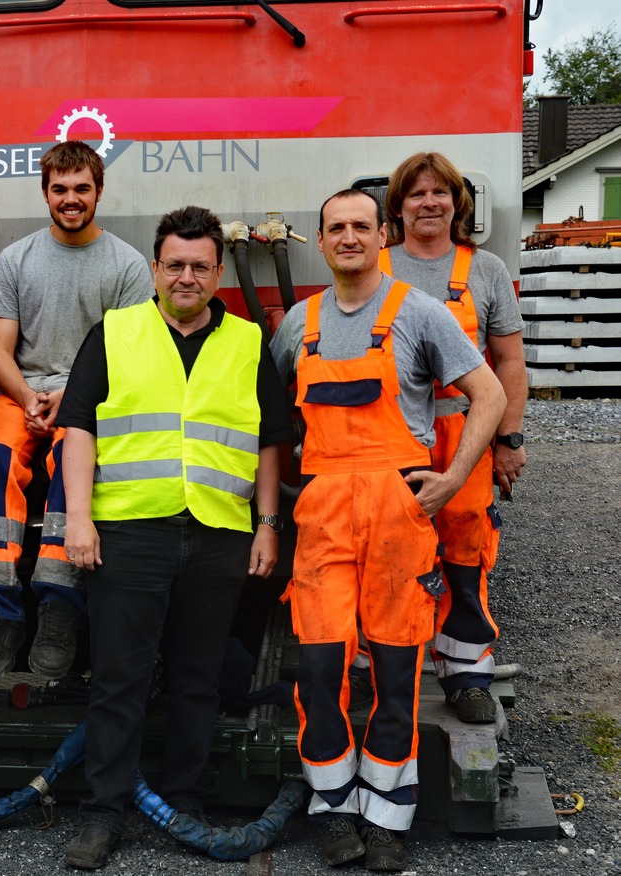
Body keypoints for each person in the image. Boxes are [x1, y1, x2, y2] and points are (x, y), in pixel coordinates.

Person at [269, 189, 504, 871]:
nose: (348, 237)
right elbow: (268, 421)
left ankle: (387, 817)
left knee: (396, 672)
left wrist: (455, 477)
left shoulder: (421, 313)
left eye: (361, 227)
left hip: (400, 510)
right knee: (319, 667)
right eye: (336, 227)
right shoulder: (298, 325)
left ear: (382, 237)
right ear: (320, 241)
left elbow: (487, 394)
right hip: (322, 514)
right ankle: (335, 809)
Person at [57, 206, 292, 869]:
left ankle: (184, 803)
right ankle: (103, 812)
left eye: (199, 266)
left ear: (219, 271)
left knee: (197, 680)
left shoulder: (247, 342)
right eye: (174, 265)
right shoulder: (115, 332)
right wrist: (79, 517)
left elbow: (271, 444)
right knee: (119, 679)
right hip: (129, 533)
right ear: (154, 269)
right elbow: (78, 428)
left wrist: (267, 525)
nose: (186, 277)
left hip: (218, 534)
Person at [0, 140, 151, 686]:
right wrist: (27, 399)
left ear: (99, 191)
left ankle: (58, 613)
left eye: (81, 189)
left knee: (71, 469)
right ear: (45, 192)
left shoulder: (127, 265)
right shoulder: (16, 259)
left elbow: (125, 357)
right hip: (19, 395)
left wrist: (67, 399)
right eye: (60, 189)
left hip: (90, 399)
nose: (71, 199)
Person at [379, 152, 527, 723]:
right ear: (398, 206)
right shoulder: (377, 264)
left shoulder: (485, 271)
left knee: (466, 545)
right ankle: (384, 662)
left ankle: (465, 672)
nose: (429, 203)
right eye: (416, 195)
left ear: (457, 203)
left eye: (439, 194)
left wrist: (508, 437)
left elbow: (510, 362)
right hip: (395, 428)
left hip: (467, 424)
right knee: (391, 547)